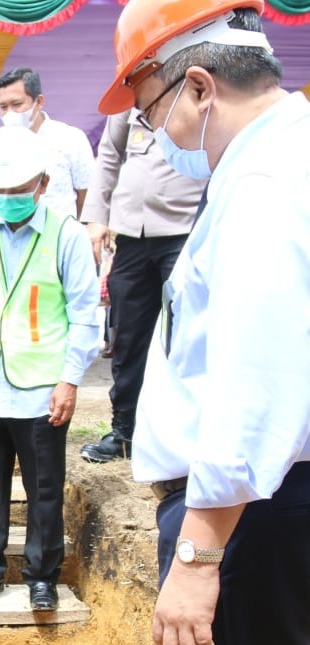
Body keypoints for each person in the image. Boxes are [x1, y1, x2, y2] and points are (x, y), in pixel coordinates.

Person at [99, 0, 310, 645]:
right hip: (253, 510)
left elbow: (252, 383)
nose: (153, 135)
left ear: (198, 86)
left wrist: (197, 556)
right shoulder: (276, 164)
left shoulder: (264, 187)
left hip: (245, 519)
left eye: (150, 109)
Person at [0, 126, 98, 611]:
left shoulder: (67, 237)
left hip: (41, 387)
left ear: (43, 185)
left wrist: (70, 379)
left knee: (44, 487)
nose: (7, 201)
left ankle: (41, 576)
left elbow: (86, 314)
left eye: (17, 191)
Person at [78, 111, 206, 463]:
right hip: (132, 233)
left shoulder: (194, 97)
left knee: (184, 337)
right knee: (128, 337)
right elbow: (107, 157)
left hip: (185, 232)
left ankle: (185, 436)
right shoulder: (128, 106)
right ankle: (124, 431)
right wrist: (97, 218)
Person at [0, 68, 94, 221]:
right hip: (8, 238)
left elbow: (87, 195)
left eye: (17, 104)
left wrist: (75, 231)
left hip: (59, 238)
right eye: (3, 107)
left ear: (39, 102)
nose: (10, 113)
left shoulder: (70, 139)